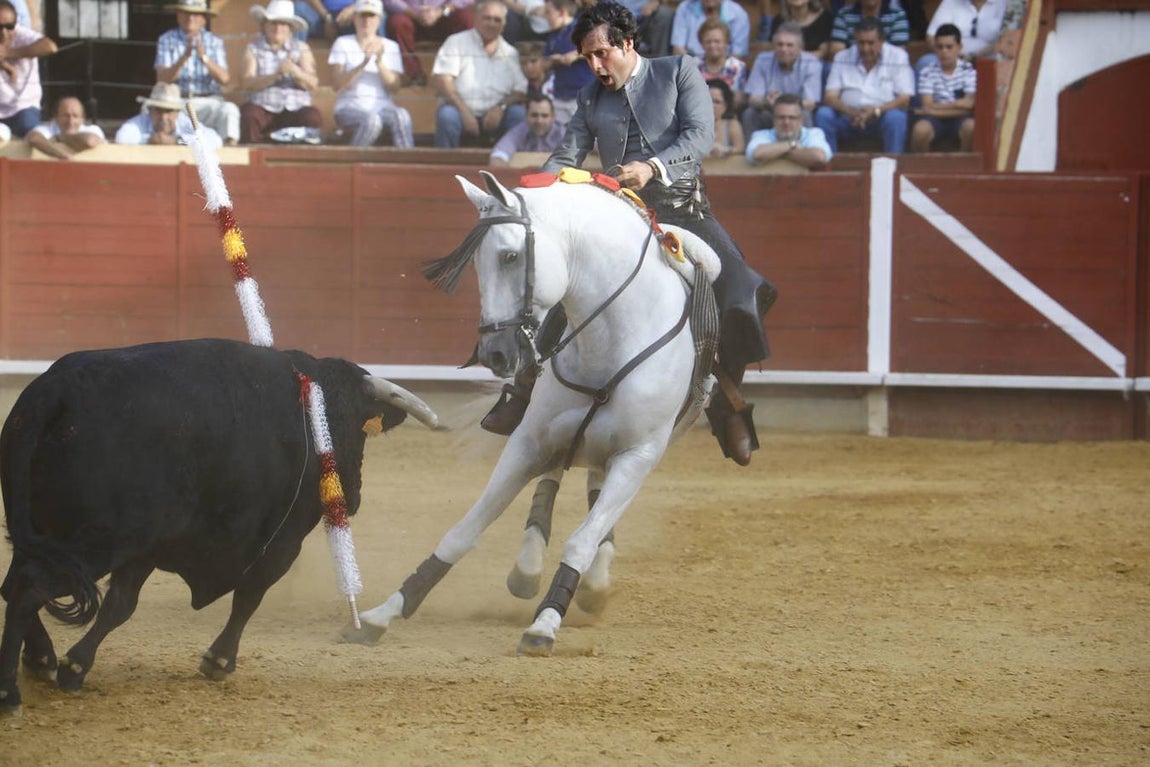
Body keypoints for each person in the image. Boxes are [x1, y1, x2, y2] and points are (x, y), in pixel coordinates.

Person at [483, 2, 778, 467]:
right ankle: (522, 391)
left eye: (602, 53)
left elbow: (700, 136)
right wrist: (527, 197)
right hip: (622, 220)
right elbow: (567, 155)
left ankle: (729, 402)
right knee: (566, 291)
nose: (596, 66)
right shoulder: (588, 98)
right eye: (587, 58)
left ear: (627, 43)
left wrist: (652, 167)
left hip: (685, 213)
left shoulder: (679, 71)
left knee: (743, 291)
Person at [431, 0, 527, 148]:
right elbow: (443, 81)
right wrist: (465, 112)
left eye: (497, 20)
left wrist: (500, 107)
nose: (492, 23)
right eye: (487, 18)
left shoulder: (510, 53)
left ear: (504, 25)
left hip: (496, 116)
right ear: (476, 18)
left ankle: (509, 166)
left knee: (518, 114)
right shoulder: (456, 42)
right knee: (447, 116)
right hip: (460, 111)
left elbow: (520, 89)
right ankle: (445, 168)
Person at [815, 17, 913, 154]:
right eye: (861, 43)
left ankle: (894, 167)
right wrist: (851, 112)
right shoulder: (842, 57)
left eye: (870, 43)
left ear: (881, 41)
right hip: (849, 117)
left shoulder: (898, 57)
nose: (865, 48)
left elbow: (904, 99)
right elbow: (830, 97)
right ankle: (829, 167)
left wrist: (875, 111)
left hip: (881, 117)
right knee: (824, 114)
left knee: (896, 118)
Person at [154, 0, 241, 146]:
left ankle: (229, 155)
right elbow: (162, 79)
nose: (190, 18)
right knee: (150, 111)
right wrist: (184, 58)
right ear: (178, 16)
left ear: (203, 19)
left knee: (229, 110)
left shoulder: (214, 41)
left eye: (195, 14)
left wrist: (204, 58)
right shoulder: (166, 39)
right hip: (177, 103)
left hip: (208, 101)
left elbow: (225, 79)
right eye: (186, 13)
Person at [329, 0, 414, 147]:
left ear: (379, 19)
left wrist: (379, 62)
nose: (366, 21)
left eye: (371, 16)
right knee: (372, 121)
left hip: (383, 107)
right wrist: (363, 64)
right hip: (349, 106)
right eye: (362, 16)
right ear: (355, 18)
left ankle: (408, 166)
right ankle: (351, 162)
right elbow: (337, 85)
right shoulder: (342, 43)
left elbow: (395, 87)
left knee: (402, 116)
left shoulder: (391, 46)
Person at [240, 1, 322, 144]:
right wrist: (275, 75)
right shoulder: (253, 48)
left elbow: (313, 83)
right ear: (265, 25)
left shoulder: (302, 48)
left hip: (295, 108)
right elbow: (247, 82)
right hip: (263, 108)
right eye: (273, 23)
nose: (278, 28)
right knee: (249, 115)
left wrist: (295, 72)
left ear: (290, 28)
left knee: (312, 116)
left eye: (283, 24)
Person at [740, 21, 822, 137]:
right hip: (769, 111)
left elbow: (810, 103)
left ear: (800, 48)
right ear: (773, 46)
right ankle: (752, 151)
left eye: (789, 45)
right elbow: (753, 98)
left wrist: (783, 106)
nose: (784, 49)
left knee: (805, 114)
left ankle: (803, 152)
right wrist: (766, 102)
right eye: (780, 44)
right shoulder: (763, 59)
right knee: (750, 113)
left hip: (796, 113)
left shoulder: (811, 63)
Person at [910, 23, 975, 152]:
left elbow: (969, 105)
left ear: (959, 47)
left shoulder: (968, 70)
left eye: (949, 47)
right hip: (934, 120)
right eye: (940, 47)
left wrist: (935, 108)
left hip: (959, 118)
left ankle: (963, 167)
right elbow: (927, 105)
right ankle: (923, 169)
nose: (944, 51)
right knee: (920, 130)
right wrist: (958, 104)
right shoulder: (927, 71)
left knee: (971, 127)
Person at [384, 0, 475, 87]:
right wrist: (414, 14)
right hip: (410, 16)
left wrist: (440, 11)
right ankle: (413, 74)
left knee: (465, 17)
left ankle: (458, 70)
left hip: (444, 16)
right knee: (397, 22)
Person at [0, 0, 56, 139]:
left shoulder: (22, 34)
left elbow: (50, 47)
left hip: (23, 107)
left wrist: (9, 54)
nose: (4, 33)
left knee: (32, 133)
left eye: (9, 27)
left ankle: (64, 159)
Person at [114, 82, 224, 149]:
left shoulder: (184, 122)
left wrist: (178, 141)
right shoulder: (140, 122)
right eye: (158, 111)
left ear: (177, 112)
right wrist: (149, 140)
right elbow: (122, 138)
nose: (163, 117)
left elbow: (215, 140)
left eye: (168, 111)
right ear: (150, 110)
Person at [745, 92, 832, 168]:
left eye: (792, 118)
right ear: (774, 120)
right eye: (781, 117)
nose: (786, 122)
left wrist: (776, 153)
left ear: (801, 120)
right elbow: (757, 154)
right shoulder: (761, 135)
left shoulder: (814, 134)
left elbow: (819, 157)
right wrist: (791, 145)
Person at [541, 0, 593, 127]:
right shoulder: (552, 36)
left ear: (562, 12)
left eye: (548, 12)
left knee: (585, 138)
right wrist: (554, 60)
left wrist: (575, 55)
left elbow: (599, 49)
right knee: (561, 140)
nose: (545, 17)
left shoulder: (582, 29)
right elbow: (544, 63)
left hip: (583, 96)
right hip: (559, 95)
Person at [488, 93, 563, 164]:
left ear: (553, 117)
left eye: (544, 116)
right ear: (526, 116)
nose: (539, 121)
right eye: (534, 115)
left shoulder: (563, 134)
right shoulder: (519, 131)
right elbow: (498, 156)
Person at [26, 95, 106, 160]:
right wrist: (62, 156)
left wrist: (60, 137)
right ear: (56, 118)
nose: (70, 121)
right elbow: (33, 138)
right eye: (66, 116)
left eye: (75, 116)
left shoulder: (92, 129)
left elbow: (89, 141)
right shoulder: (48, 129)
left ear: (82, 119)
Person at [925, 0, 1006, 61]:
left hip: (990, 59)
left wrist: (973, 57)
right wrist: (948, 54)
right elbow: (931, 36)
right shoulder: (951, 2)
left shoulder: (1006, 4)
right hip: (951, 59)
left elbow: (1008, 41)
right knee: (926, 61)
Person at [670, 0, 749, 59]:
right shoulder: (685, 8)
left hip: (726, 66)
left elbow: (738, 53)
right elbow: (678, 49)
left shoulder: (738, 13)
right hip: (691, 65)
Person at [828, 0, 909, 56]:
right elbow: (836, 52)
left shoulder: (897, 15)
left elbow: (898, 53)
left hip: (886, 69)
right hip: (852, 68)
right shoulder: (843, 14)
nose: (866, 49)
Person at [695, 19, 746, 106]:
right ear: (701, 43)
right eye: (708, 42)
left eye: (717, 41)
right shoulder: (693, 65)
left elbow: (739, 99)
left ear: (726, 42)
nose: (712, 45)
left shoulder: (738, 67)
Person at [760, 0, 833, 60]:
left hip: (815, 65)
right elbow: (774, 49)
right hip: (785, 66)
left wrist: (795, 58)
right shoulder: (779, 20)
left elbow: (823, 52)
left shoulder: (825, 18)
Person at [295, 0, 385, 40]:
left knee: (380, 16)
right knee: (298, 8)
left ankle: (380, 58)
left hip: (354, 16)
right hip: (322, 16)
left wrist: (354, 8)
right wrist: (327, 17)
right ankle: (295, 57)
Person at [708, 78, 744, 158]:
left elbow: (740, 150)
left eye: (717, 102)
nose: (711, 105)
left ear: (725, 106)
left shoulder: (731, 124)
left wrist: (726, 150)